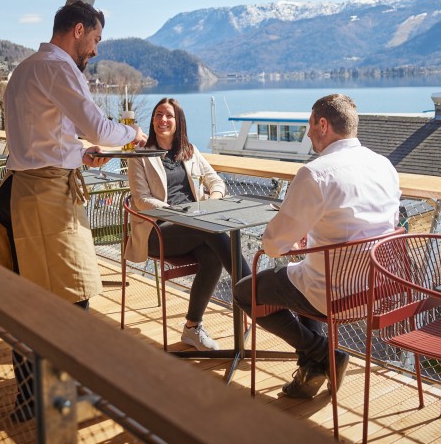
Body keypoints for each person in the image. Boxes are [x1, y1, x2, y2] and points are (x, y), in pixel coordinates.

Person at [0, 0, 147, 422]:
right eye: (94, 39)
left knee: (27, 303)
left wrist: (77, 153)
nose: (94, 50)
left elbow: (41, 135)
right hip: (43, 199)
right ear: (78, 30)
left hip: (18, 190)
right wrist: (132, 134)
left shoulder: (24, 69)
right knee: (70, 300)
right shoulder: (59, 68)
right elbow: (99, 127)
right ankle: (60, 403)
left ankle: (29, 399)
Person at [233, 93, 400, 399]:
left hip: (330, 294)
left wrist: (296, 235)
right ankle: (310, 370)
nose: (308, 132)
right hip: (373, 288)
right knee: (304, 273)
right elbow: (379, 227)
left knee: (245, 291)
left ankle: (323, 351)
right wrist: (313, 235)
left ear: (323, 124)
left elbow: (272, 245)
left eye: (310, 125)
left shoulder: (316, 172)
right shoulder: (384, 165)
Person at [126, 97, 249, 350]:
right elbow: (141, 200)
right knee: (213, 233)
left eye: (169, 115)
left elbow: (216, 182)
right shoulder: (140, 155)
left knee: (212, 256)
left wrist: (212, 202)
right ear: (152, 120)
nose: (162, 120)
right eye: (158, 114)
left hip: (194, 227)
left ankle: (192, 328)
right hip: (157, 230)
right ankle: (253, 290)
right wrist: (179, 212)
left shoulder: (189, 151)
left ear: (178, 121)